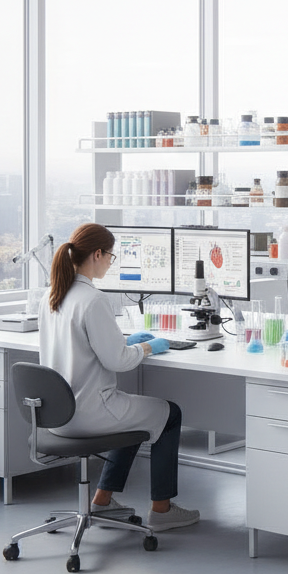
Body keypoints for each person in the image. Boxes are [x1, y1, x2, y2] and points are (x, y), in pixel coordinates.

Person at [39, 223, 199, 531]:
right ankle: (162, 509)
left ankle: (101, 500)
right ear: (97, 254)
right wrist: (149, 347)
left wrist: (125, 342)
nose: (111, 263)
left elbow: (82, 346)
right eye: (111, 256)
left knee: (137, 414)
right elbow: (119, 362)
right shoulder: (94, 299)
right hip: (89, 413)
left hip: (58, 415)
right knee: (169, 414)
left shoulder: (52, 294)